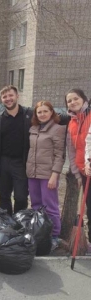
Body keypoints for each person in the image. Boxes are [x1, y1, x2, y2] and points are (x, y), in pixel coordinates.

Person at [0, 85, 69, 215]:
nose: (8, 99)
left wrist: (74, 115)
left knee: (21, 197)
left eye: (11, 95)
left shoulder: (29, 114)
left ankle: (20, 222)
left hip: (22, 163)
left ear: (17, 96)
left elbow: (53, 116)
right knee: (4, 196)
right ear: (1, 99)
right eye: (4, 97)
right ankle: (6, 223)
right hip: (2, 163)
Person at [26, 101, 66, 250]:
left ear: (51, 112)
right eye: (39, 112)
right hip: (33, 173)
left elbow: (59, 154)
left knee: (50, 207)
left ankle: (55, 236)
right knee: (36, 205)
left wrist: (55, 175)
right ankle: (39, 233)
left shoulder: (57, 129)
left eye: (45, 111)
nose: (42, 114)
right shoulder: (33, 128)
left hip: (48, 175)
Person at [66, 88, 91, 251]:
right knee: (90, 207)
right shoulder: (72, 122)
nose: (73, 102)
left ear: (83, 99)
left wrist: (89, 161)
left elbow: (89, 142)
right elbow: (72, 150)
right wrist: (77, 173)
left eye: (76, 99)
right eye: (69, 101)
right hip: (84, 172)